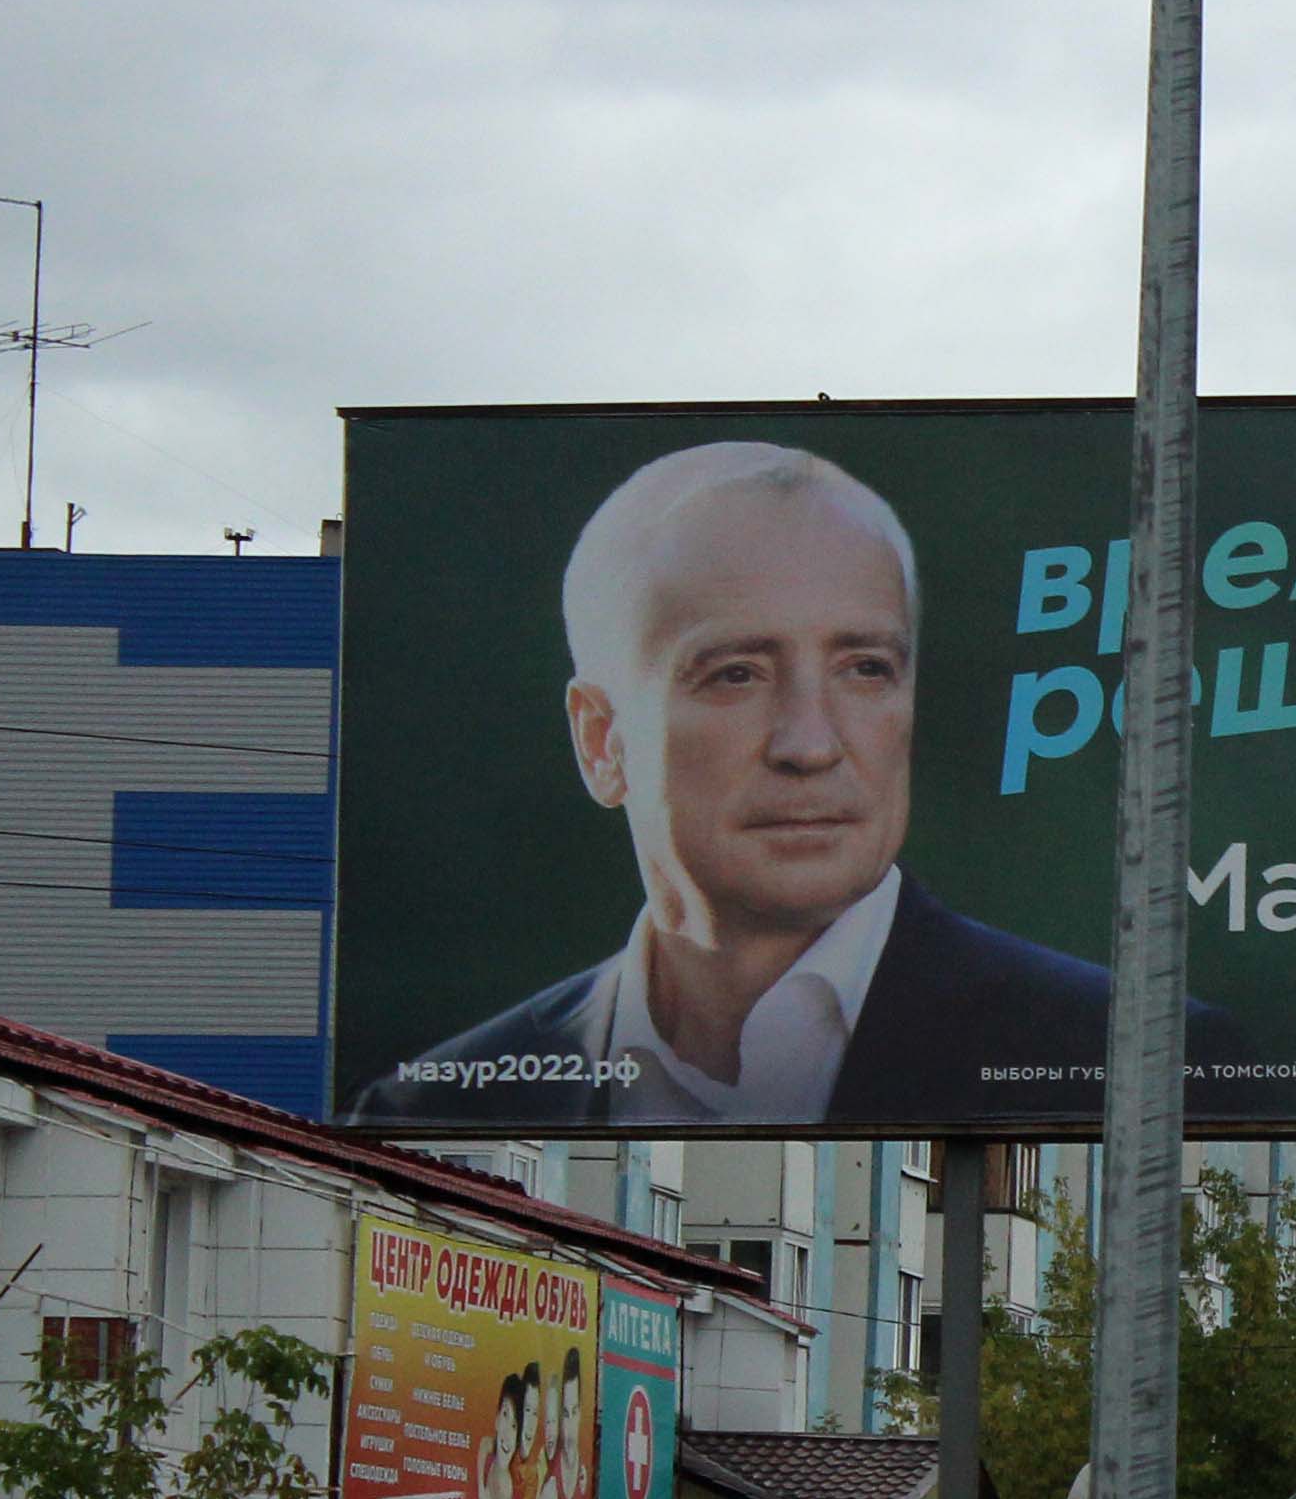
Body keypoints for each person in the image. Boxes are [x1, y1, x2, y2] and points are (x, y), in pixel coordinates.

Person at [355, 442, 1124, 1126]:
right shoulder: (433, 1105)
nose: (810, 744)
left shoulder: (1120, 1053)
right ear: (601, 740)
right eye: (735, 675)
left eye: (864, 669)